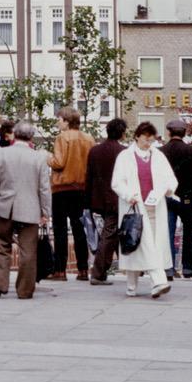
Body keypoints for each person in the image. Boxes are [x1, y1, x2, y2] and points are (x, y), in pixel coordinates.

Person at [111, 120, 177, 299]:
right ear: (137, 137)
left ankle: (135, 287)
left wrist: (165, 189)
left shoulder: (158, 156)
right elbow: (117, 182)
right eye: (145, 139)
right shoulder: (125, 156)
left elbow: (170, 179)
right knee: (137, 244)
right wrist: (127, 195)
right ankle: (157, 282)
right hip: (135, 207)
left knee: (149, 245)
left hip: (155, 207)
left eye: (151, 140)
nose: (148, 143)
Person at [0, 120, 51, 299]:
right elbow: (44, 188)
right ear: (31, 136)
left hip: (5, 207)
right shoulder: (38, 158)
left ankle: (0, 284)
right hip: (30, 209)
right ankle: (24, 290)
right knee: (28, 251)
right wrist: (46, 212)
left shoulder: (0, 155)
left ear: (14, 134)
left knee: (2, 246)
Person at [48, 107, 94, 281]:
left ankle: (60, 270)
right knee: (79, 228)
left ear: (67, 121)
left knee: (60, 229)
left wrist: (46, 157)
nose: (57, 122)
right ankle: (83, 269)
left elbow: (59, 162)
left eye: (59, 119)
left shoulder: (62, 137)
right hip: (81, 188)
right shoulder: (88, 138)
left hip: (62, 189)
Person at [161, 117, 192, 279]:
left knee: (168, 232)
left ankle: (168, 268)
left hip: (167, 197)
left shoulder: (161, 152)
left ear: (168, 133)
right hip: (187, 198)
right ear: (184, 133)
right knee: (189, 233)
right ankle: (189, 268)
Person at [84, 117, 127, 284]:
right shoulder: (123, 152)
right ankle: (98, 272)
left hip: (99, 199)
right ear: (122, 133)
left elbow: (90, 177)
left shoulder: (95, 151)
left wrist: (87, 201)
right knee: (109, 235)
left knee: (111, 233)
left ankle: (105, 269)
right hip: (117, 199)